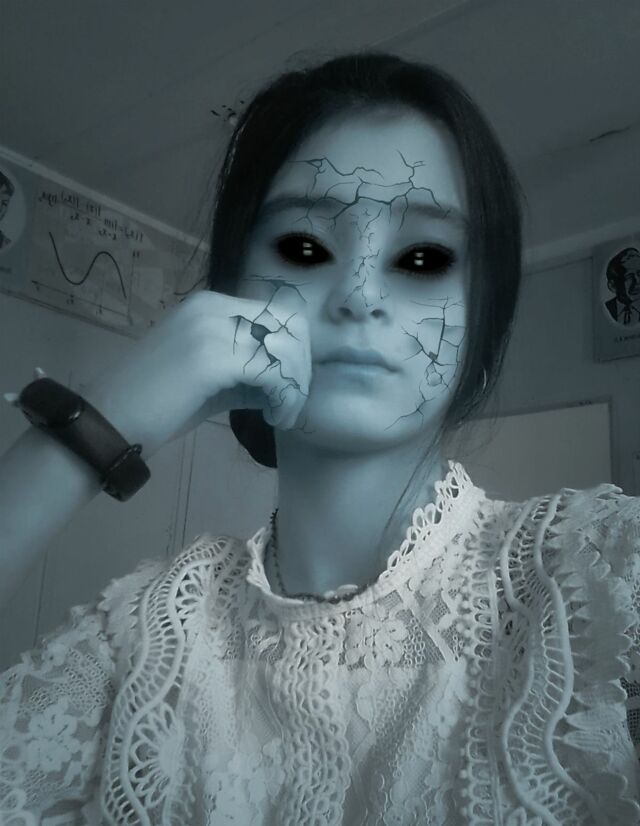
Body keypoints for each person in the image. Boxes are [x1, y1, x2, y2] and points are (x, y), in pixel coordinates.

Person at [1, 50, 639, 825]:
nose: (359, 294)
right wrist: (94, 424)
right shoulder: (139, 641)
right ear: (233, 289)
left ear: (483, 321)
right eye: (304, 248)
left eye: (423, 257)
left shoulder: (598, 586)